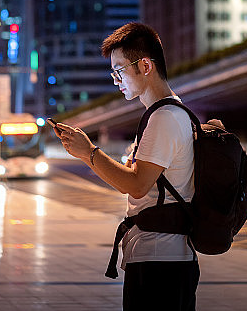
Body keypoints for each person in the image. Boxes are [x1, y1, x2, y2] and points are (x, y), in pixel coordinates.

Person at [53, 22, 198, 310]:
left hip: (161, 259)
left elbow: (135, 184)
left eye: (119, 71)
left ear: (145, 66)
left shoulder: (165, 117)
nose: (116, 80)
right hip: (159, 256)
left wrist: (89, 152)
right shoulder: (163, 113)